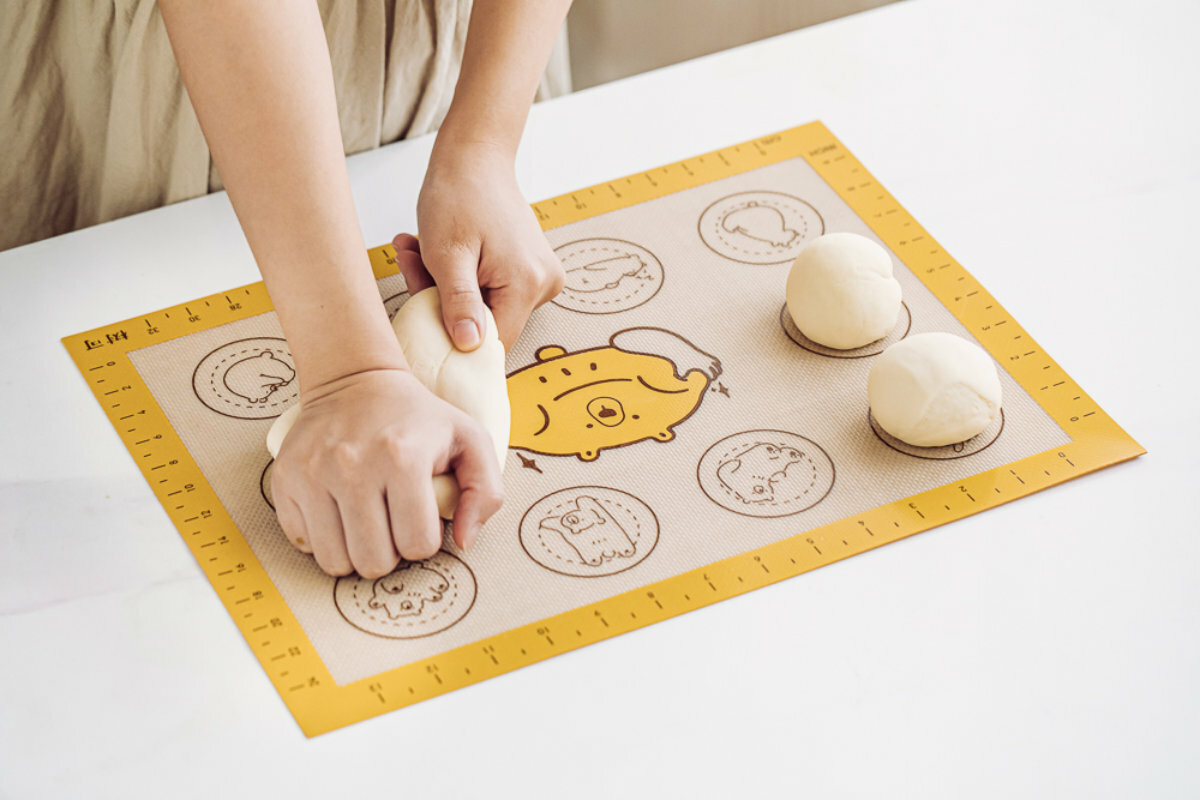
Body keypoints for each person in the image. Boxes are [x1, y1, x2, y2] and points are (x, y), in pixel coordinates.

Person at [157, 1, 570, 579]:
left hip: (476, 52)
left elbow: (485, 141)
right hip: (212, 70)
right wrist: (348, 373)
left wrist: (483, 144)